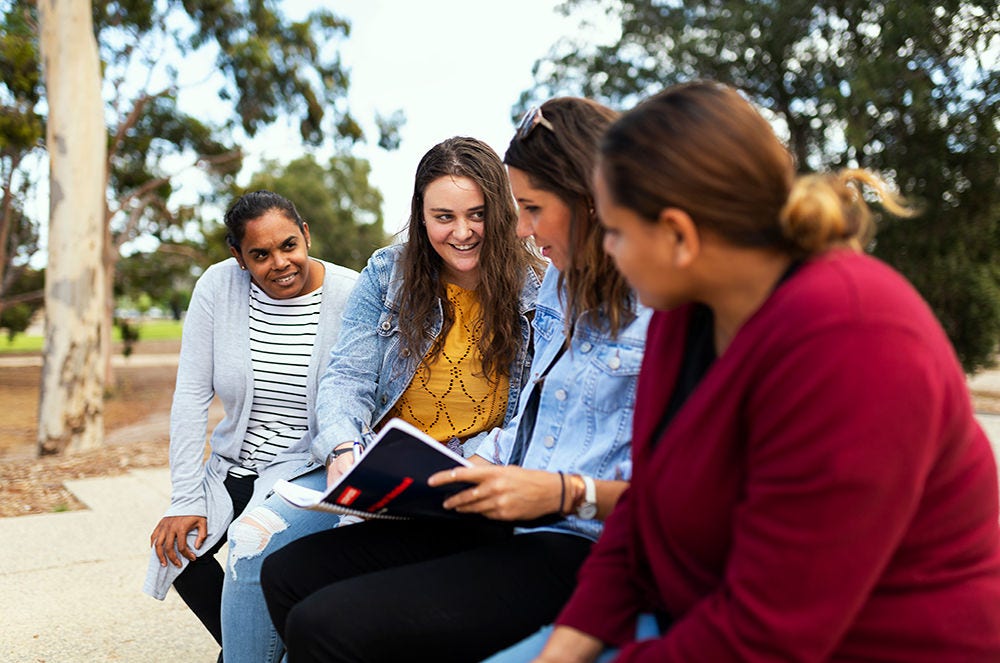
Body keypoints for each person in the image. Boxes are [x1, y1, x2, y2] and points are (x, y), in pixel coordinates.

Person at [535, 80, 1000, 662]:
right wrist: (561, 651)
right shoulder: (686, 312)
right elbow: (642, 520)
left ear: (680, 235)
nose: (606, 249)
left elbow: (767, 638)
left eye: (616, 231)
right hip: (704, 621)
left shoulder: (855, 338)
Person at [259, 98, 652, 662]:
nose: (516, 228)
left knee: (326, 622)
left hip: (557, 526)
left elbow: (665, 490)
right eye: (443, 216)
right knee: (284, 570)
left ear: (589, 200)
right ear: (420, 216)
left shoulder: (568, 287)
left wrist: (531, 481)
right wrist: (357, 450)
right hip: (477, 491)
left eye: (526, 208)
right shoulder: (560, 285)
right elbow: (532, 422)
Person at [220, 136, 545, 662]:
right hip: (374, 462)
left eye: (477, 214)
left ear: (502, 213)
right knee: (252, 543)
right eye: (443, 216)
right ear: (420, 215)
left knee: (355, 599)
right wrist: (344, 452)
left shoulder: (539, 289)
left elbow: (537, 406)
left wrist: (485, 458)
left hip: (473, 470)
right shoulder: (388, 271)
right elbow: (346, 376)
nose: (461, 232)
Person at [142, 190, 359, 658]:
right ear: (238, 257)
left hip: (308, 466)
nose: (279, 263)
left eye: (288, 245)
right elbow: (191, 397)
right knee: (179, 554)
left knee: (253, 549)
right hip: (236, 464)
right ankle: (255, 647)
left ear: (306, 235)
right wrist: (183, 498)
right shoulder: (218, 288)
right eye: (259, 254)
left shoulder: (351, 293)